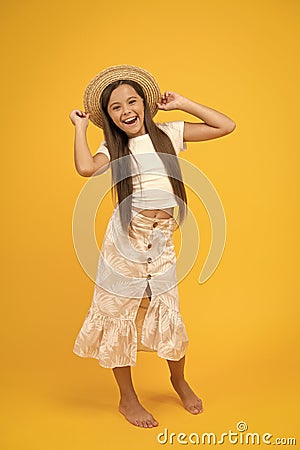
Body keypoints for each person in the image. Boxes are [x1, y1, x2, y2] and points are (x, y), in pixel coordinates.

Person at [69, 65, 236, 429]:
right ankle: (127, 398)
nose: (126, 111)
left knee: (167, 311)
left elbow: (226, 126)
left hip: (161, 241)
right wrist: (81, 128)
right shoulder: (113, 147)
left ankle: (178, 379)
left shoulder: (168, 134)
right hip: (125, 242)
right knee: (119, 314)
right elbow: (84, 168)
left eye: (133, 101)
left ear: (145, 103)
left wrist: (184, 103)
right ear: (109, 117)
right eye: (116, 107)